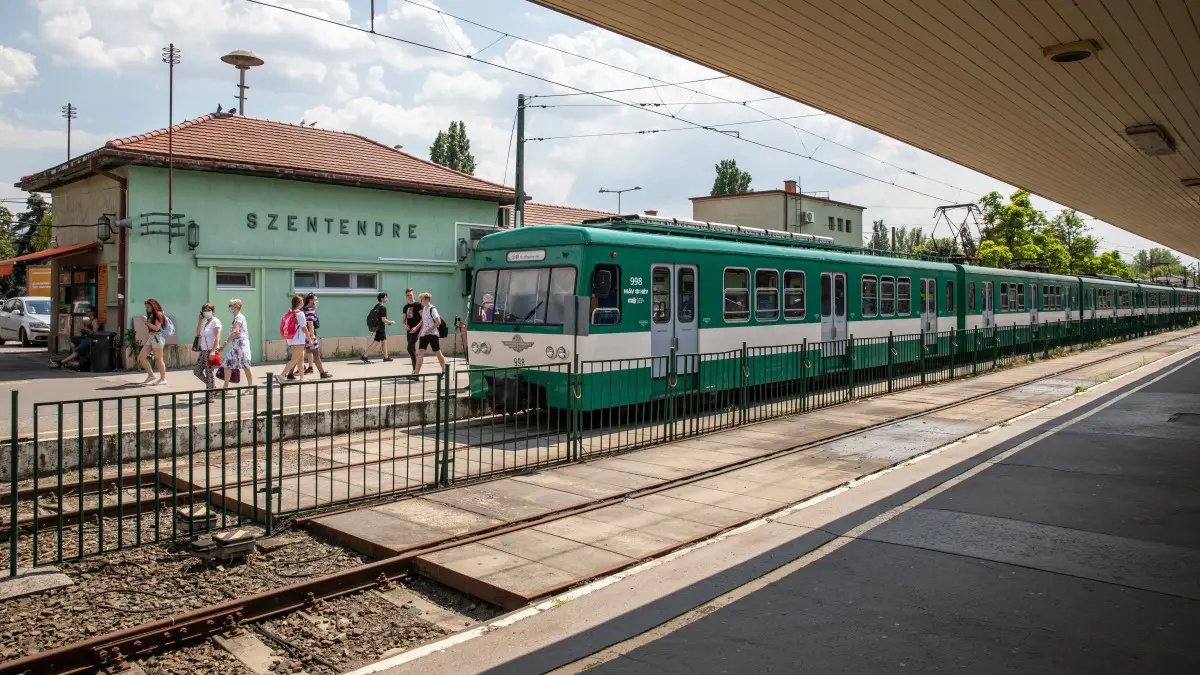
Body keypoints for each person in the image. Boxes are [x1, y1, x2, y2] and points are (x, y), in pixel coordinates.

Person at [294, 293, 332, 379]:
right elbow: (310, 324)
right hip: (309, 336)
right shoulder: (311, 310)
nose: (316, 301)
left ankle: (290, 373)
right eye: (315, 299)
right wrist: (311, 337)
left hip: (301, 336)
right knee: (316, 354)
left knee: (298, 355)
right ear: (310, 300)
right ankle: (322, 373)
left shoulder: (302, 309)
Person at [409, 292, 446, 379]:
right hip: (424, 335)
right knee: (420, 353)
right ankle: (416, 374)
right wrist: (419, 330)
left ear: (427, 299)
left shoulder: (432, 309)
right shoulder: (424, 309)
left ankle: (444, 371)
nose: (421, 301)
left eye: (422, 299)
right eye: (420, 299)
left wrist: (429, 330)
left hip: (433, 335)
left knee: (438, 353)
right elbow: (424, 321)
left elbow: (438, 322)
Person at [220, 299, 254, 393]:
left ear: (236, 307)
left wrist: (225, 343)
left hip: (241, 345)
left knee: (245, 365)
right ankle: (225, 387)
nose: (229, 308)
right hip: (235, 345)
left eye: (230, 306)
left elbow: (235, 331)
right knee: (227, 364)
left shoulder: (239, 317)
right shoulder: (236, 317)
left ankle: (250, 387)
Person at [277, 295, 310, 384]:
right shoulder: (300, 313)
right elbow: (304, 328)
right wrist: (309, 339)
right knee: (294, 359)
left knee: (300, 358)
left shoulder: (290, 312)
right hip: (299, 339)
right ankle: (281, 376)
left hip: (291, 338)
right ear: (299, 303)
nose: (303, 303)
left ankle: (302, 377)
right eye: (302, 301)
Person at [192, 303, 222, 401]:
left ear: (213, 311)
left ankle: (210, 397)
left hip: (210, 349)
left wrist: (213, 350)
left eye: (208, 310)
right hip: (203, 349)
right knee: (197, 371)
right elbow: (198, 333)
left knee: (209, 373)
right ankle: (213, 388)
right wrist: (199, 321)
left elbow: (217, 337)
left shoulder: (216, 321)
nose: (206, 312)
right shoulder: (204, 322)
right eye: (204, 310)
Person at [138, 298, 168, 385]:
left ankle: (163, 379)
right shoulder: (151, 315)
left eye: (148, 307)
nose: (146, 309)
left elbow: (156, 327)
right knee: (142, 356)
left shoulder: (158, 314)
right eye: (146, 307)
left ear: (153, 306)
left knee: (159, 359)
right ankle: (151, 375)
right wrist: (147, 321)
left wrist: (147, 322)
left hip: (157, 337)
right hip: (151, 337)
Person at [362, 292, 394, 364]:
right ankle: (365, 356)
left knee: (384, 341)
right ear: (382, 298)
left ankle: (386, 357)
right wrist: (391, 322)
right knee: (376, 342)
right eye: (386, 297)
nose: (387, 299)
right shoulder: (383, 307)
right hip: (380, 328)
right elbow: (383, 320)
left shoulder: (377, 306)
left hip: (379, 327)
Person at [401, 288, 422, 369]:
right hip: (409, 330)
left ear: (413, 295)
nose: (409, 296)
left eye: (410, 295)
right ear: (406, 296)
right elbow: (403, 320)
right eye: (407, 295)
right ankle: (415, 370)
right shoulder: (406, 307)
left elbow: (423, 318)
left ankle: (415, 370)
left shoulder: (418, 305)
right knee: (412, 350)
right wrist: (404, 325)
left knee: (409, 348)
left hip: (416, 330)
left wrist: (417, 328)